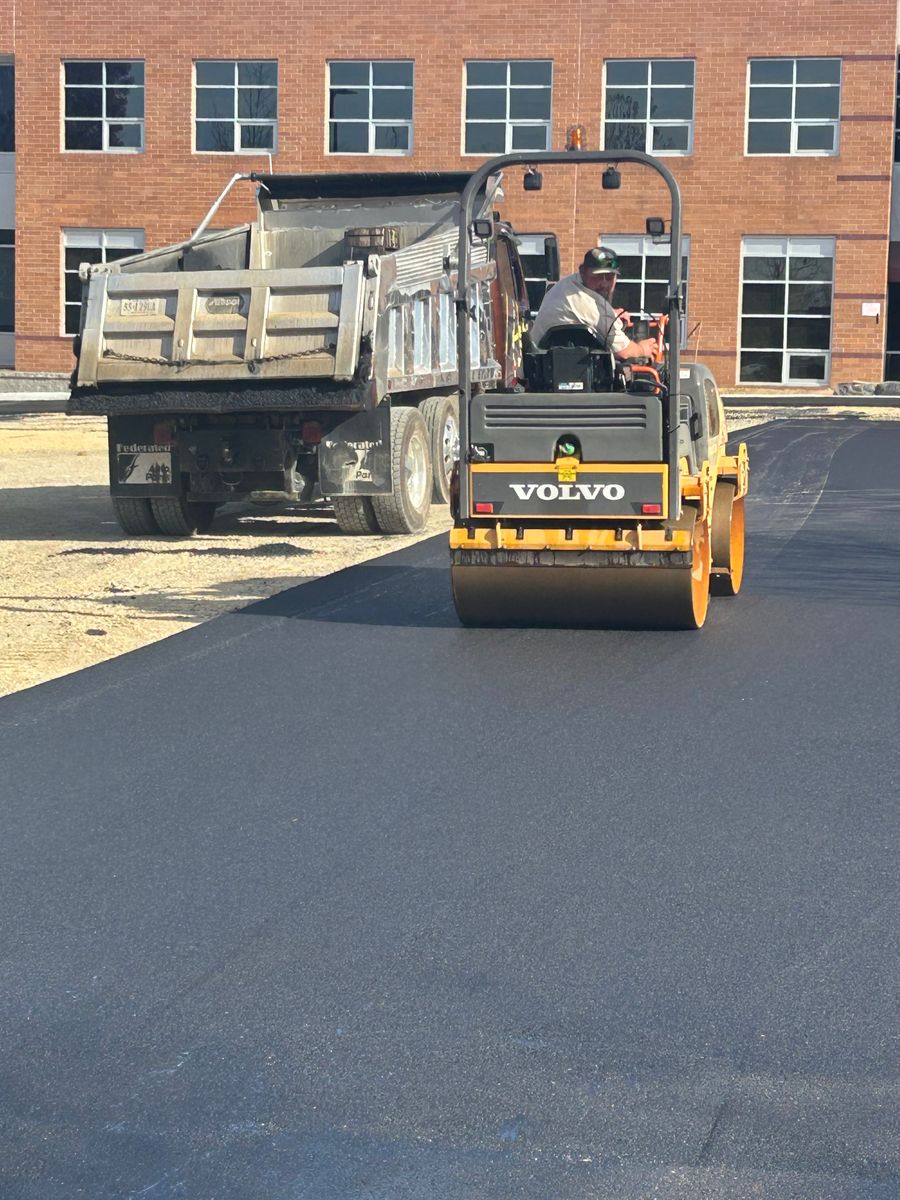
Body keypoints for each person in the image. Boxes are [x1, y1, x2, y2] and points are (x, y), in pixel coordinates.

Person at [530, 246, 660, 359]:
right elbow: (623, 352)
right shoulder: (588, 304)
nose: (604, 283)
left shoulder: (566, 285)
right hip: (563, 371)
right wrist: (642, 349)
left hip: (540, 367)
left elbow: (583, 314)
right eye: (597, 276)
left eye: (609, 277)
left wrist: (612, 315)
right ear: (582, 272)